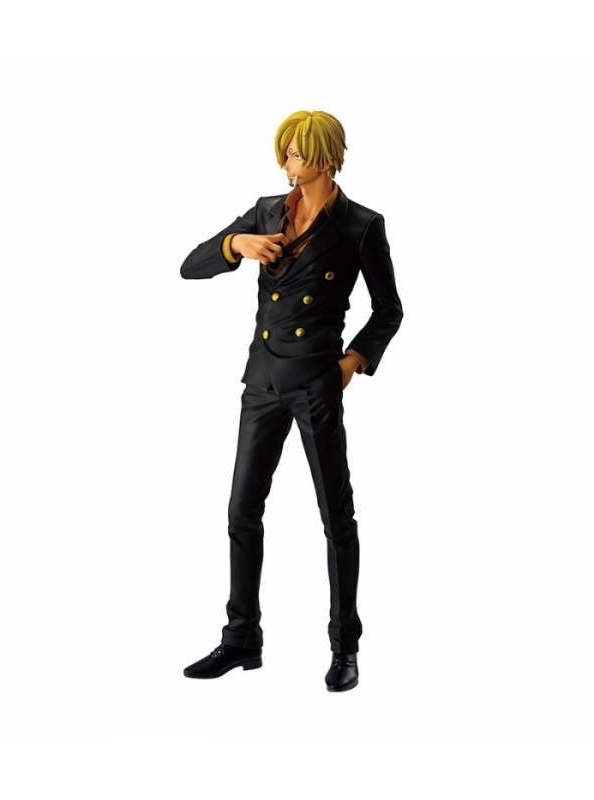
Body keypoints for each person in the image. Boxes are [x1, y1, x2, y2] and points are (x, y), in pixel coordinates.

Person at [180, 110, 403, 691]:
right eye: (284, 152)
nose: (286, 163)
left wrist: (352, 362)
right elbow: (189, 267)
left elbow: (389, 309)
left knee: (336, 517)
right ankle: (241, 639)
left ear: (325, 158)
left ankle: (345, 646)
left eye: (297, 153)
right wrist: (235, 244)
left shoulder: (360, 225)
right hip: (262, 380)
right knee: (241, 510)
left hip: (315, 383)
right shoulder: (265, 212)